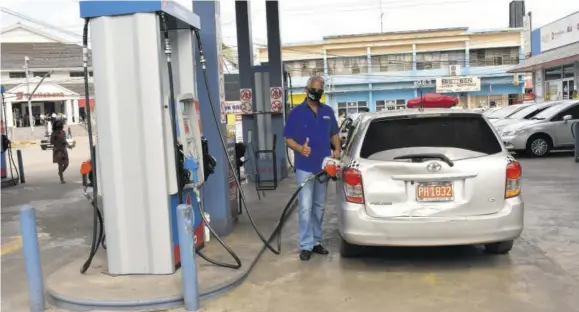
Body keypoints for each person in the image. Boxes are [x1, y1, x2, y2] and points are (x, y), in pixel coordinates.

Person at [283, 75, 341, 261]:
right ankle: (306, 244)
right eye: (313, 90)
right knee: (305, 208)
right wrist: (300, 148)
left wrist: (338, 149)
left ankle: (316, 241)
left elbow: (334, 134)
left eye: (319, 91)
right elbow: (289, 139)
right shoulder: (297, 113)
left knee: (318, 207)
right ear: (307, 91)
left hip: (323, 167)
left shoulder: (328, 112)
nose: (316, 94)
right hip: (305, 167)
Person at [50, 119, 69, 184]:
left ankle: (60, 172)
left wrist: (66, 144)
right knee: (60, 164)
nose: (58, 125)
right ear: (55, 125)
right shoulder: (53, 133)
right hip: (57, 150)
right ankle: (62, 179)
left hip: (64, 150)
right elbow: (51, 142)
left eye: (59, 123)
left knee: (66, 164)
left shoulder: (63, 132)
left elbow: (64, 140)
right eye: (57, 124)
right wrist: (54, 138)